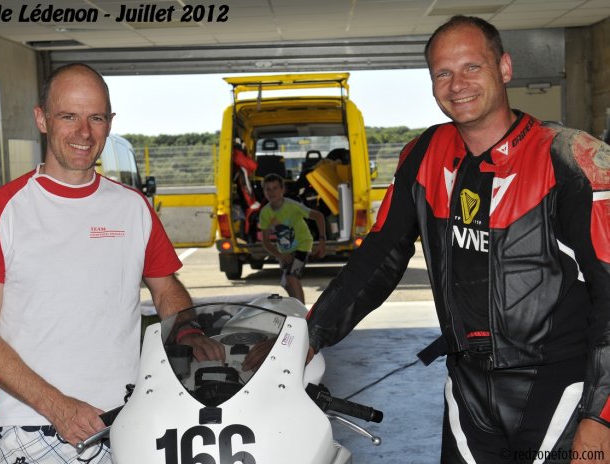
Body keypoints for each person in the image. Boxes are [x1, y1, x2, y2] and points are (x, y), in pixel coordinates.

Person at [306, 15, 610, 464]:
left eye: (472, 67)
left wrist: (601, 415)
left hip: (562, 391)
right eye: (442, 73)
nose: (457, 85)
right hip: (467, 389)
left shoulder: (572, 158)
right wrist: (310, 335)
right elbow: (378, 258)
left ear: (504, 68)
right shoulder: (424, 155)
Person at [0, 63, 223, 464]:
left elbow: (165, 287)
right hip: (33, 423)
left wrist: (188, 330)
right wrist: (57, 406)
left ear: (110, 123)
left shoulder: (133, 207)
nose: (84, 133)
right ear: (41, 119)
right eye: (69, 116)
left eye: (96, 118)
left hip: (128, 417)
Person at [259, 173, 327, 304]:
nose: (272, 192)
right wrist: (279, 255)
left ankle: (302, 313)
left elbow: (319, 216)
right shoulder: (265, 213)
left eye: (275, 188)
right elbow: (266, 242)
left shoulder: (293, 206)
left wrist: (322, 242)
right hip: (284, 251)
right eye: (268, 189)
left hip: (302, 244)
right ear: (264, 192)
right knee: (286, 283)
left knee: (292, 277)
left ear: (282, 189)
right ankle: (296, 307)